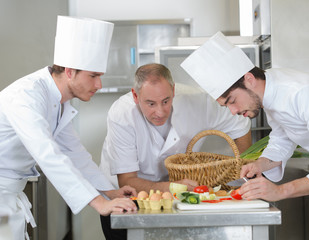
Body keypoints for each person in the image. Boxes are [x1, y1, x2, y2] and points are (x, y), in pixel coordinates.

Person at [181, 31, 309, 240]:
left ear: (248, 79)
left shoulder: (303, 93)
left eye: (231, 101)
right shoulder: (270, 91)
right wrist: (261, 164)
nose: (232, 111)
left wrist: (280, 191)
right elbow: (282, 140)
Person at [0, 16, 137, 240]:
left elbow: (74, 154)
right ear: (70, 71)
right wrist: (100, 203)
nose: (98, 85)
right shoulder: (26, 96)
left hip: (9, 197)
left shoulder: (59, 102)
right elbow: (47, 154)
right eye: (93, 76)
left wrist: (109, 192)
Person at [99, 63, 252, 238]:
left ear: (173, 90)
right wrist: (172, 187)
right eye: (150, 104)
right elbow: (127, 180)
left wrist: (243, 175)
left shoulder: (198, 102)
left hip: (177, 200)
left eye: (166, 101)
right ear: (135, 96)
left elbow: (240, 125)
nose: (160, 112)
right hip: (125, 199)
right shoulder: (122, 115)